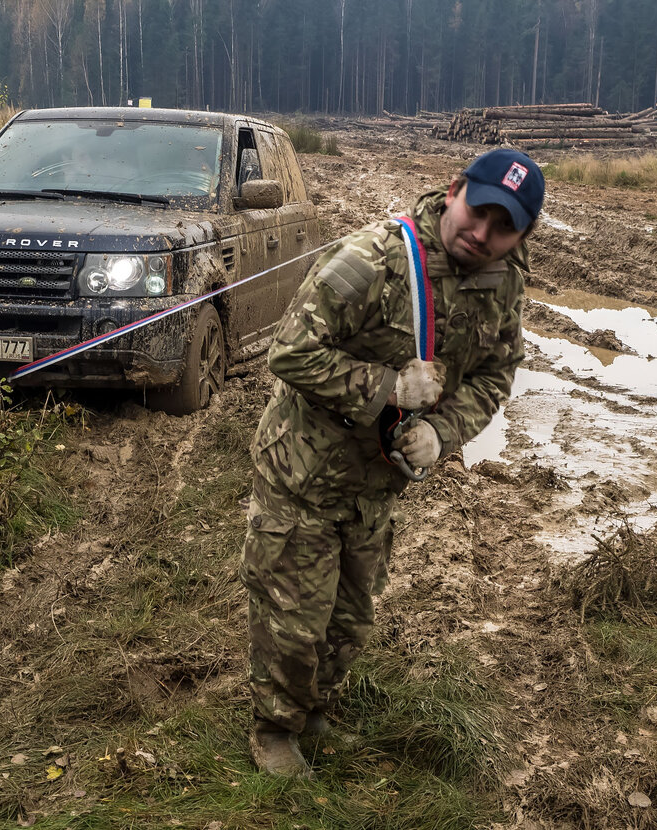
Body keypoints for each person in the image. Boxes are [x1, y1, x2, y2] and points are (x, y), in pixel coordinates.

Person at [241, 147, 545, 776]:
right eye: (478, 211)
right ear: (455, 189)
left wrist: (441, 432)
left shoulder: (504, 285)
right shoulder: (372, 260)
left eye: (503, 226)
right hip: (304, 472)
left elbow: (493, 378)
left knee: (350, 618)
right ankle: (274, 727)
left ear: (522, 234)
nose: (482, 234)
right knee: (294, 619)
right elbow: (290, 352)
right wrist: (385, 388)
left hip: (378, 486)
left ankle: (314, 708)